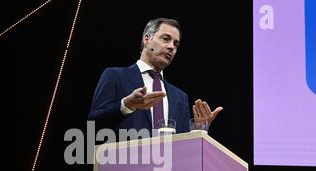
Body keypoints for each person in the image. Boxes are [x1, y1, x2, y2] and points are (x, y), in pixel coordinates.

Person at [88, 17, 223, 137]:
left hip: (168, 165)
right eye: (165, 39)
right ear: (147, 39)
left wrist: (198, 130)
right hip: (126, 162)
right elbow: (93, 124)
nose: (171, 47)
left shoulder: (180, 97)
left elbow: (183, 148)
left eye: (176, 44)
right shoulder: (115, 76)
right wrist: (126, 105)